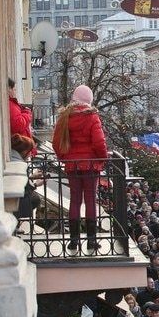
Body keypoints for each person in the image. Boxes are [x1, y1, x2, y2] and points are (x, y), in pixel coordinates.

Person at [52, 84, 107, 251]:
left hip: (72, 165)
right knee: (90, 201)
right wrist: (102, 159)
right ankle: (91, 239)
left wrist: (64, 158)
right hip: (91, 165)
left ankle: (74, 240)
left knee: (75, 201)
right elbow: (99, 142)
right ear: (88, 100)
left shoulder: (65, 117)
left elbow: (56, 142)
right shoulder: (92, 117)